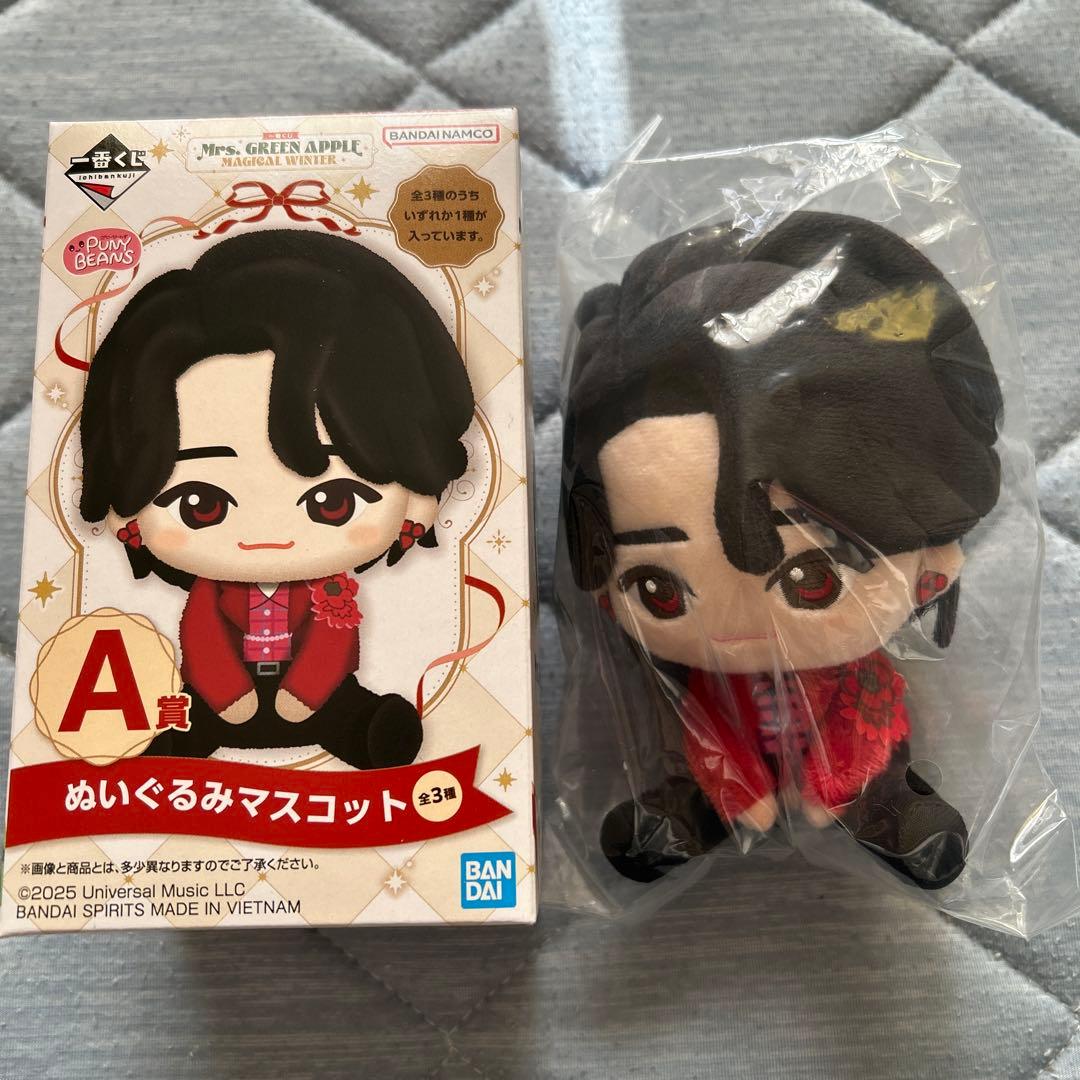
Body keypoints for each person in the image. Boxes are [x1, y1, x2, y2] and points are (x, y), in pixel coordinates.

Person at [562, 211, 1002, 888]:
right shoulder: (695, 678)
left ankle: (884, 807)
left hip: (846, 720)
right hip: (722, 725)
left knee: (872, 763)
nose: (737, 626)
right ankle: (701, 812)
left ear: (931, 565)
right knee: (708, 761)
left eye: (812, 578)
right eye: (658, 589)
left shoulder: (864, 654)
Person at [80, 228, 475, 769]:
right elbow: (202, 637)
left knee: (349, 713)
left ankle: (366, 733)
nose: (267, 535)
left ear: (416, 493)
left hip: (317, 696)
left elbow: (333, 641)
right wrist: (228, 694)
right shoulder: (212, 594)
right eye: (201, 505)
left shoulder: (331, 592)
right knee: (188, 719)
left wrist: (304, 694)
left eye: (332, 503)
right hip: (224, 697)